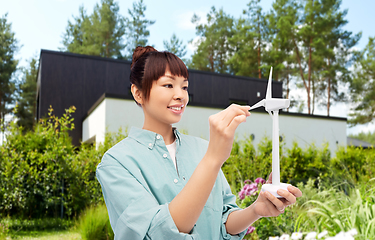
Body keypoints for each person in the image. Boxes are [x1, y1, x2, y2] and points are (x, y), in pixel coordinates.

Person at [96, 46, 302, 240]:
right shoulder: (116, 162)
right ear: (138, 93)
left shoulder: (202, 148)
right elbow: (158, 233)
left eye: (184, 87)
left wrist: (256, 210)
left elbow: (223, 221)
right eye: (168, 85)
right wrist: (213, 159)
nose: (181, 96)